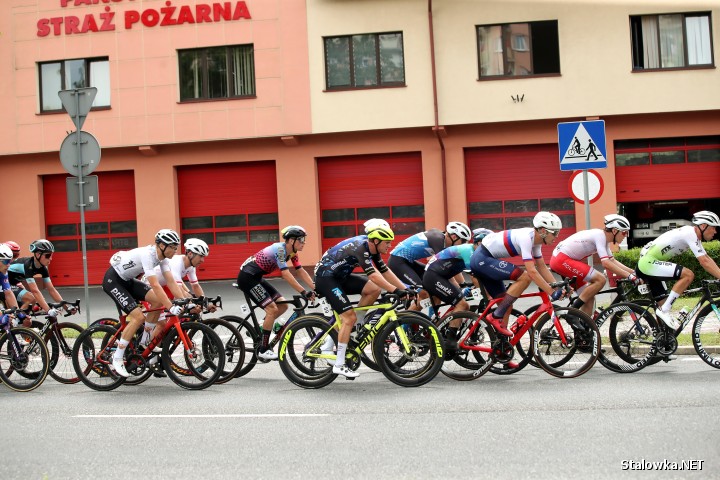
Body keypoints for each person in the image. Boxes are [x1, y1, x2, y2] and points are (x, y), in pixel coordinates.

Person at [314, 224, 408, 378]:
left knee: (373, 290)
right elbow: (374, 275)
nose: (390, 246)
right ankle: (339, 364)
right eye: (387, 242)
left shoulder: (372, 247)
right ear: (376, 241)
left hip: (340, 277)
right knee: (348, 317)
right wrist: (395, 290)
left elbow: (384, 271)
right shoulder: (360, 248)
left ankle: (354, 328)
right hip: (326, 279)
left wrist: (404, 288)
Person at [102, 229, 183, 377]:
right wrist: (171, 306)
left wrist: (185, 302)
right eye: (172, 246)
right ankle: (117, 357)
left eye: (176, 247)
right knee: (138, 317)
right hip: (113, 280)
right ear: (161, 246)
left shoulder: (163, 259)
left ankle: (144, 341)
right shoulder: (147, 255)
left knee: (158, 302)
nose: (175, 250)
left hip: (127, 280)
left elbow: (171, 282)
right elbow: (155, 285)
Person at [469, 212, 565, 336]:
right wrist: (551, 291)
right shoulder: (526, 237)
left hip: (486, 260)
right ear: (543, 231)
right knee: (525, 277)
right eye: (554, 233)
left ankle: (501, 346)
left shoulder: (536, 243)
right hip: (481, 259)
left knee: (506, 305)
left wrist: (558, 286)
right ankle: (495, 316)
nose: (556, 237)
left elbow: (541, 267)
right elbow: (531, 271)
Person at [236, 225, 316, 361]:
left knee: (283, 305)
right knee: (272, 309)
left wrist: (315, 288)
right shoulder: (280, 250)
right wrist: (303, 291)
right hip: (247, 278)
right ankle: (263, 349)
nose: (304, 242)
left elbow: (300, 271)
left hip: (256, 277)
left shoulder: (293, 253)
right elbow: (285, 274)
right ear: (291, 240)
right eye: (301, 239)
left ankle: (262, 327)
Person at [636, 210, 720, 329]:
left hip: (649, 263)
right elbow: (704, 262)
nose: (715, 231)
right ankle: (664, 311)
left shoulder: (694, 235)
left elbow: (706, 258)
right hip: (648, 263)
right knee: (688, 275)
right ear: (703, 226)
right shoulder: (690, 233)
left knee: (663, 310)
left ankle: (661, 342)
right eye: (714, 228)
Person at [139, 238, 211, 372]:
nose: (202, 260)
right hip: (151, 287)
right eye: (201, 256)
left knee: (171, 317)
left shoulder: (190, 267)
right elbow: (178, 291)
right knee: (161, 323)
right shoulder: (176, 263)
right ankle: (150, 355)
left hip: (164, 287)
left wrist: (205, 302)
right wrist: (191, 303)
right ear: (190, 254)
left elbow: (195, 286)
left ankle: (156, 346)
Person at [549, 214, 640, 317]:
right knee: (600, 279)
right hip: (561, 259)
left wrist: (633, 272)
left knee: (589, 298)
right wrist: (630, 276)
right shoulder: (600, 236)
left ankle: (583, 329)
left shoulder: (603, 238)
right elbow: (606, 263)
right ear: (614, 231)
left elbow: (612, 260)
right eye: (624, 232)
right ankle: (571, 313)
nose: (626, 235)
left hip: (562, 259)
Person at [388, 221, 471, 310]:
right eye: (463, 241)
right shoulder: (438, 239)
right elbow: (445, 268)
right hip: (398, 262)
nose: (463, 244)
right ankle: (405, 321)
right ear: (454, 237)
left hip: (408, 262)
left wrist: (463, 284)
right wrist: (459, 288)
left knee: (435, 289)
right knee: (424, 294)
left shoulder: (443, 241)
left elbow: (452, 267)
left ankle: (433, 320)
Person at [8, 239, 74, 320]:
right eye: (48, 256)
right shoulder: (28, 265)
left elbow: (51, 290)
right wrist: (48, 310)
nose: (51, 259)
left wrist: (67, 308)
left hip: (14, 284)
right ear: (38, 254)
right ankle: (16, 319)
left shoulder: (43, 268)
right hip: (4, 284)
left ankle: (21, 327)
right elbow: (35, 291)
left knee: (27, 322)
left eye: (51, 255)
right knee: (31, 298)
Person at [0, 244, 27, 326]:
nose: (8, 265)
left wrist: (18, 311)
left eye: (10, 261)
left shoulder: (3, 273)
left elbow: (8, 293)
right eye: (6, 261)